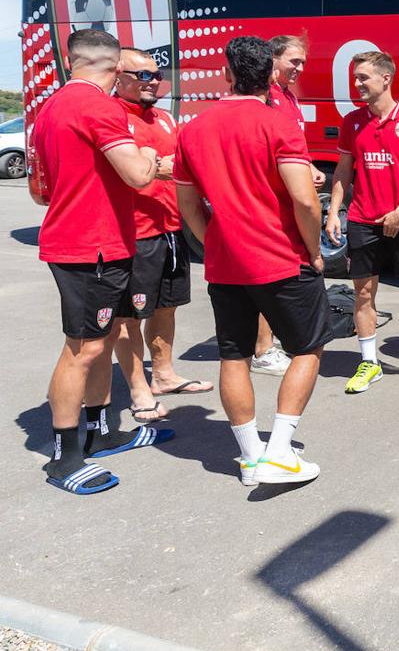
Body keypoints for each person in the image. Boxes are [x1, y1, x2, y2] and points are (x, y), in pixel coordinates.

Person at [175, 35, 332, 486]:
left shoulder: (193, 129)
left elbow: (188, 206)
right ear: (271, 76)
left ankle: (249, 457)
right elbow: (305, 201)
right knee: (307, 349)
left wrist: (213, 242)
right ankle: (279, 452)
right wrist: (316, 252)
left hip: (226, 263)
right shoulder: (279, 124)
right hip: (281, 258)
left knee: (234, 355)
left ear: (227, 75)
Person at [32, 29, 172, 495]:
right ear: (115, 70)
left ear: (70, 62)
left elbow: (41, 191)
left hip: (85, 240)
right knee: (84, 348)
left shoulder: (50, 107)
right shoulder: (101, 107)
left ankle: (98, 430)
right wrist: (149, 155)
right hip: (89, 246)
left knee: (104, 338)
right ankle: (64, 455)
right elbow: (137, 175)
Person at [325, 51, 399, 395]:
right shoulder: (352, 122)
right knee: (363, 293)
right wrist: (333, 212)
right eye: (356, 77)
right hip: (363, 219)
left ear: (386, 78)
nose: (357, 84)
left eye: (363, 77)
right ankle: (369, 363)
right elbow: (344, 171)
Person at [111, 48, 211, 425]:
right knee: (128, 316)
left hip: (170, 228)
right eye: (143, 75)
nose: (153, 81)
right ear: (118, 75)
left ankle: (164, 374)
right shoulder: (113, 117)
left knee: (166, 307)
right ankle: (138, 389)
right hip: (134, 233)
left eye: (157, 74)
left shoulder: (166, 118)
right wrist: (156, 168)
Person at [248, 34, 325, 377]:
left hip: (287, 197)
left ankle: (271, 342)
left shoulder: (288, 97)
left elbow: (292, 148)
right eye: (294, 61)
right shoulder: (265, 98)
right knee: (269, 274)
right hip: (270, 202)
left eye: (303, 62)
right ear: (273, 60)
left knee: (281, 272)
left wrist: (308, 168)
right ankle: (262, 350)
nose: (300, 68)